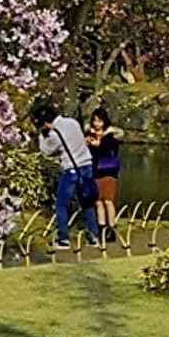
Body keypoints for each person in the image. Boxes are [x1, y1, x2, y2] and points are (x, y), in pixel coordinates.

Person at [33, 97, 100, 248]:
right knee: (87, 201)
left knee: (61, 204)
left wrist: (41, 137)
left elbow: (47, 152)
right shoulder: (73, 122)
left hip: (71, 170)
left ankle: (63, 238)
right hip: (87, 165)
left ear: (45, 122)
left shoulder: (54, 133)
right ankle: (94, 236)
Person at [85, 106, 122, 244]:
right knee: (98, 201)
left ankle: (111, 228)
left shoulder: (110, 137)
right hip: (95, 172)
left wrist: (98, 145)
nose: (96, 124)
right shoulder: (90, 136)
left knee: (108, 201)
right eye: (94, 121)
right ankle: (101, 228)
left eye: (99, 121)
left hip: (108, 172)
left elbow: (109, 150)